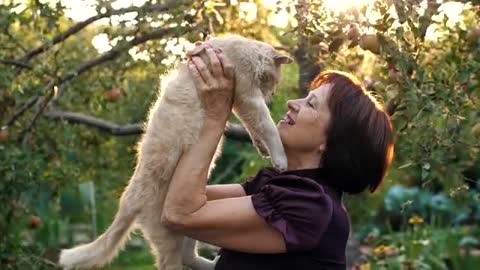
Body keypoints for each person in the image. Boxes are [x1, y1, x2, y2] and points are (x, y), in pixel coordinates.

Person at [161, 47, 394, 270]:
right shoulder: (280, 186)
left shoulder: (309, 206)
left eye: (310, 104)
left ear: (333, 141)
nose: (292, 103)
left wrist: (215, 116)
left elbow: (180, 213)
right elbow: (175, 197)